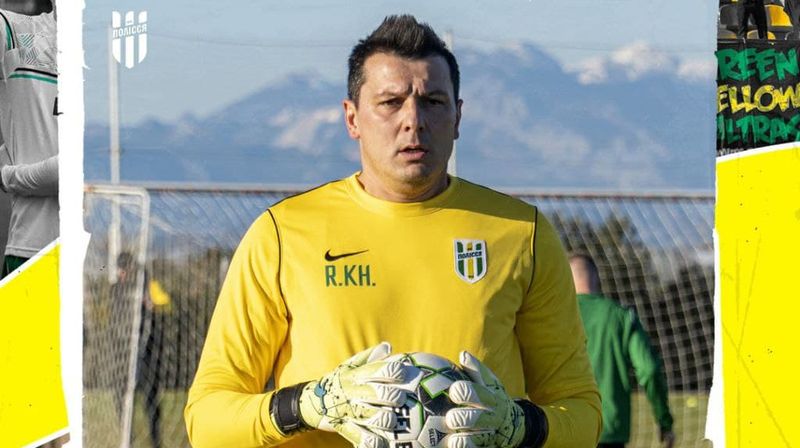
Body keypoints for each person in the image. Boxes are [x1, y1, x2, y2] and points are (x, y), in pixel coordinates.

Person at [185, 15, 601, 448]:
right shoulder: (282, 235)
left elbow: (582, 415)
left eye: (433, 102)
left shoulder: (521, 233)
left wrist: (519, 425)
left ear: (458, 117)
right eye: (390, 102)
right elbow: (207, 422)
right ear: (352, 119)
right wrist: (306, 405)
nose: (413, 120)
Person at [569, 253, 674, 448]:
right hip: (610, 430)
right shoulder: (621, 316)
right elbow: (649, 370)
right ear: (597, 278)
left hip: (565, 427)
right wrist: (664, 420)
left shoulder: (556, 316)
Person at [0, 1, 59, 279]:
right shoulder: (15, 32)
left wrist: (9, 176)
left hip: (89, 258)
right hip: (33, 254)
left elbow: (70, 171)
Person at [111, 252, 163, 448]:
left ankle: (156, 440)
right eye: (120, 270)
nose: (122, 273)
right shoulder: (116, 290)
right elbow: (117, 320)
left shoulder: (145, 285)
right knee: (121, 397)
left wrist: (150, 302)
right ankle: (128, 439)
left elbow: (161, 303)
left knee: (150, 397)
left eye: (125, 269)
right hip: (124, 353)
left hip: (145, 351)